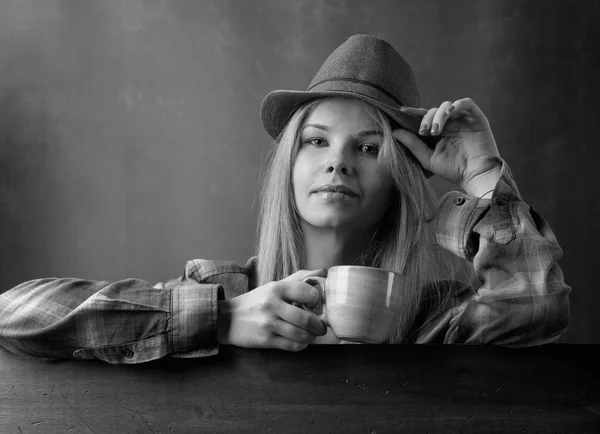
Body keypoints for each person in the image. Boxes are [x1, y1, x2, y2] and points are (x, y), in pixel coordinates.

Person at [0, 34, 570, 364]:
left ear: (401, 175)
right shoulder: (225, 293)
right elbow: (17, 314)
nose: (338, 161)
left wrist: (481, 176)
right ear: (288, 167)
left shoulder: (434, 319)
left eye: (369, 148)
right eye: (316, 141)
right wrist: (218, 319)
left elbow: (536, 308)